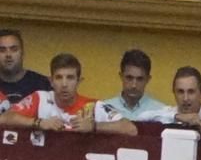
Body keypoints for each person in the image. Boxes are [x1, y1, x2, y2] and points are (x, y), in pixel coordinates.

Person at [0, 52, 136, 136]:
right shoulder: (39, 98)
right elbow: (4, 119)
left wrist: (93, 126)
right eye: (59, 78)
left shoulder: (93, 106)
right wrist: (38, 123)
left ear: (79, 81)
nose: (64, 84)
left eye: (70, 78)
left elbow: (130, 129)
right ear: (51, 81)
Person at [99, 49, 166, 121]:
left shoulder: (161, 112)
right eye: (129, 78)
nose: (134, 85)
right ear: (121, 76)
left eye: (140, 79)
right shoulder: (105, 109)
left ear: (148, 79)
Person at [0, 28, 50, 109]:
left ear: (22, 53)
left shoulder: (42, 84)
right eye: (2, 50)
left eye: (14, 49)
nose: (8, 54)